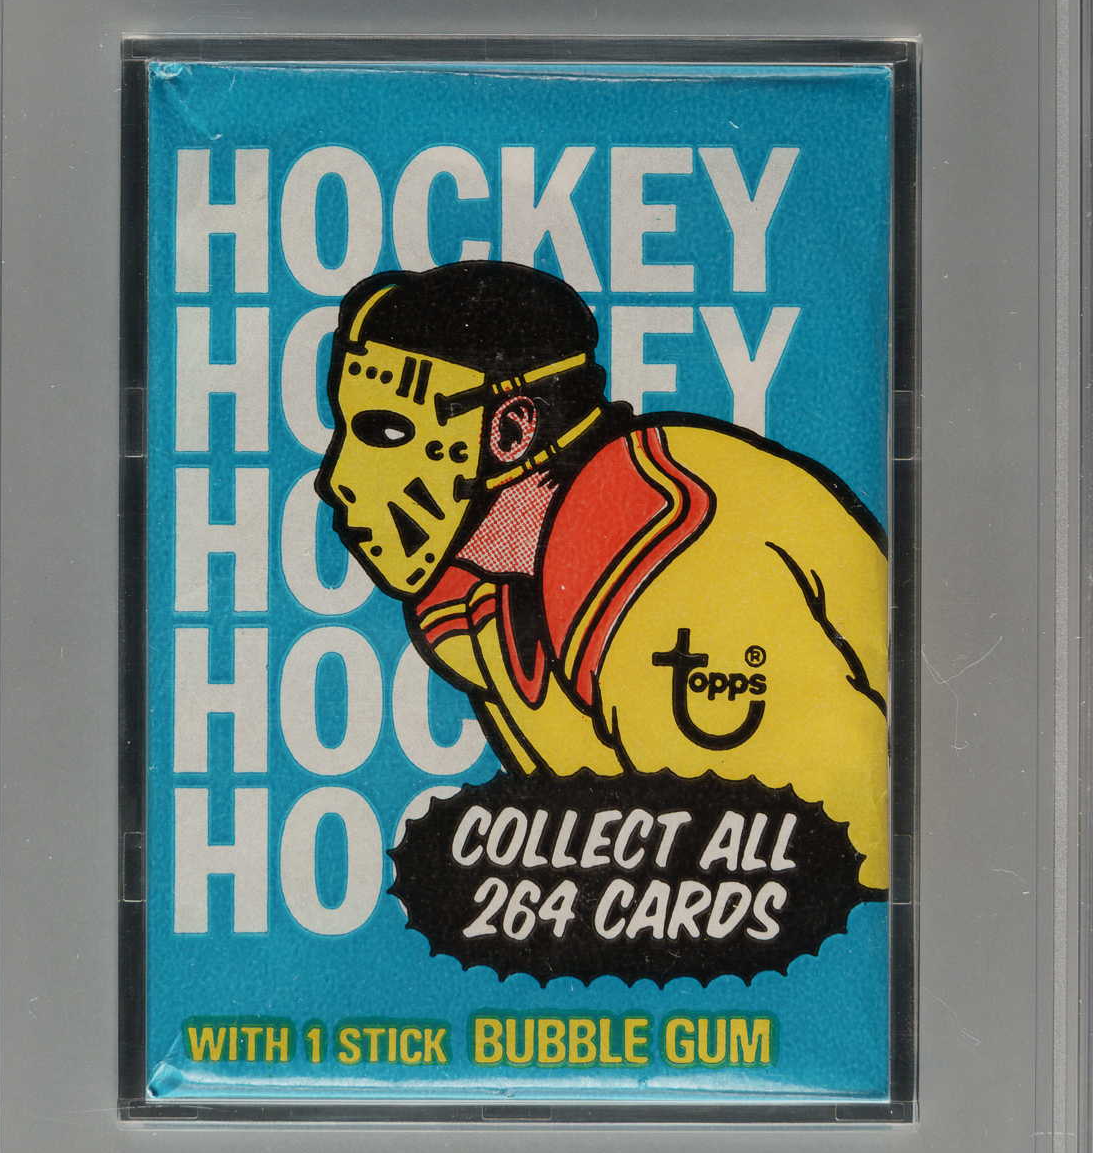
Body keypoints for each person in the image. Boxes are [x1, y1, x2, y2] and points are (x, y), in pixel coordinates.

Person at [316, 262, 889, 889]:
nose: (334, 479)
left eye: (385, 432)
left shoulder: (670, 550)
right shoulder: (469, 607)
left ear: (512, 430)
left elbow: (834, 869)